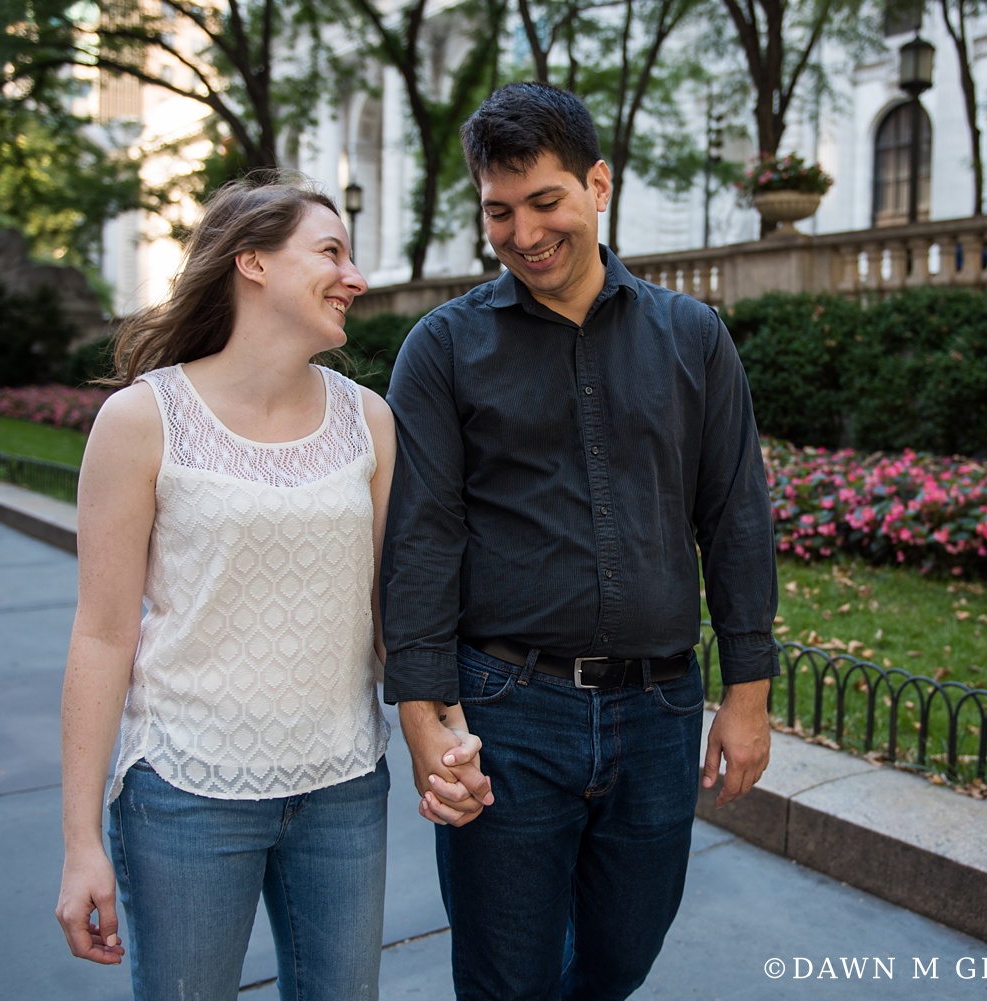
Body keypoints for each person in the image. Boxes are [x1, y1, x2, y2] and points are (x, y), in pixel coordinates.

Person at [382, 82, 779, 1001]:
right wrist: (422, 717)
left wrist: (748, 696)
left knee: (618, 959)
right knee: (505, 976)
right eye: (499, 211)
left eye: (545, 200)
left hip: (660, 714)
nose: (524, 233)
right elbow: (422, 540)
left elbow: (736, 518)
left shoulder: (694, 337)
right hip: (507, 710)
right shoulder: (442, 349)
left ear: (599, 185)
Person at [53, 173, 485, 1000]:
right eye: (331, 252)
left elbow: (392, 612)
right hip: (185, 792)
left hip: (344, 787)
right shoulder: (143, 420)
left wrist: (447, 733)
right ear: (250, 261)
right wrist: (80, 841)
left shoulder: (369, 420)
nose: (355, 278)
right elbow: (102, 634)